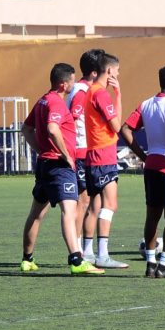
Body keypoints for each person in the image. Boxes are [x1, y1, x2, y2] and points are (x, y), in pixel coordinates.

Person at [19, 63, 104, 275]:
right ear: (63, 84)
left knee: (36, 214)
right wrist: (66, 155)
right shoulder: (56, 102)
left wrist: (41, 150)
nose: (74, 84)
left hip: (45, 164)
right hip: (59, 166)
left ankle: (27, 259)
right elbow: (52, 128)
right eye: (72, 81)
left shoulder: (42, 100)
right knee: (69, 211)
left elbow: (26, 129)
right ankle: (76, 260)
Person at [120, 65, 165, 278]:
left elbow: (125, 129)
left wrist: (143, 156)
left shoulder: (146, 104)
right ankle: (164, 266)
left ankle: (151, 264)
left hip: (152, 166)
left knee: (152, 216)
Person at [83, 51, 129, 269]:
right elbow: (116, 125)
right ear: (109, 70)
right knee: (110, 204)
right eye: (117, 70)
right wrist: (118, 95)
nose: (118, 74)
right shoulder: (100, 94)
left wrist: (117, 93)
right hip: (103, 155)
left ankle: (87, 252)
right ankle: (102, 255)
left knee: (95, 205)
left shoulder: (91, 91)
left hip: (93, 154)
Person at [66, 48, 105, 262]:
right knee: (82, 202)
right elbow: (72, 120)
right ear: (94, 72)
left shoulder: (83, 89)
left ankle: (84, 249)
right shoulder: (82, 92)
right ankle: (78, 250)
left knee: (88, 201)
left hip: (84, 152)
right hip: (80, 152)